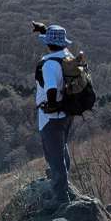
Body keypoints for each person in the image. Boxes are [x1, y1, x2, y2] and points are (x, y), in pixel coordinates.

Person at [35, 24, 74, 208]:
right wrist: (45, 30)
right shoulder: (68, 57)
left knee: (54, 155)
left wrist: (50, 106)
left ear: (48, 44)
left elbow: (51, 87)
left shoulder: (49, 64)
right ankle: (64, 184)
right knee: (61, 147)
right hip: (67, 113)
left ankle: (60, 197)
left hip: (52, 117)